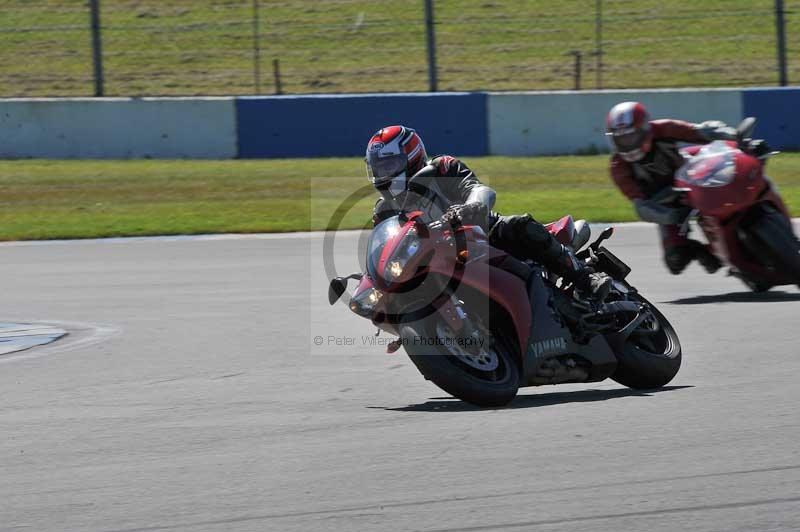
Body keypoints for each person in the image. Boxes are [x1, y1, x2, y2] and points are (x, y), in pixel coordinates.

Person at [365, 125, 610, 299]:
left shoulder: (442, 168)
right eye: (378, 168)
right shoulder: (383, 210)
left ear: (412, 157)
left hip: (482, 234)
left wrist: (471, 207)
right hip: (437, 259)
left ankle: (585, 278)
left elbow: (478, 189)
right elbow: (384, 247)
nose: (382, 174)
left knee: (518, 224)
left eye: (388, 165)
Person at [605, 101, 769, 274]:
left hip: (691, 173)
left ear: (644, 128)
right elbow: (641, 205)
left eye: (630, 136)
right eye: (620, 138)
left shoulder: (662, 128)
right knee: (675, 260)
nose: (627, 143)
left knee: (733, 150)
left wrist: (734, 135)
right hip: (666, 202)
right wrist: (672, 216)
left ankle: (757, 182)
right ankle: (705, 251)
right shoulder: (618, 167)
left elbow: (700, 131)